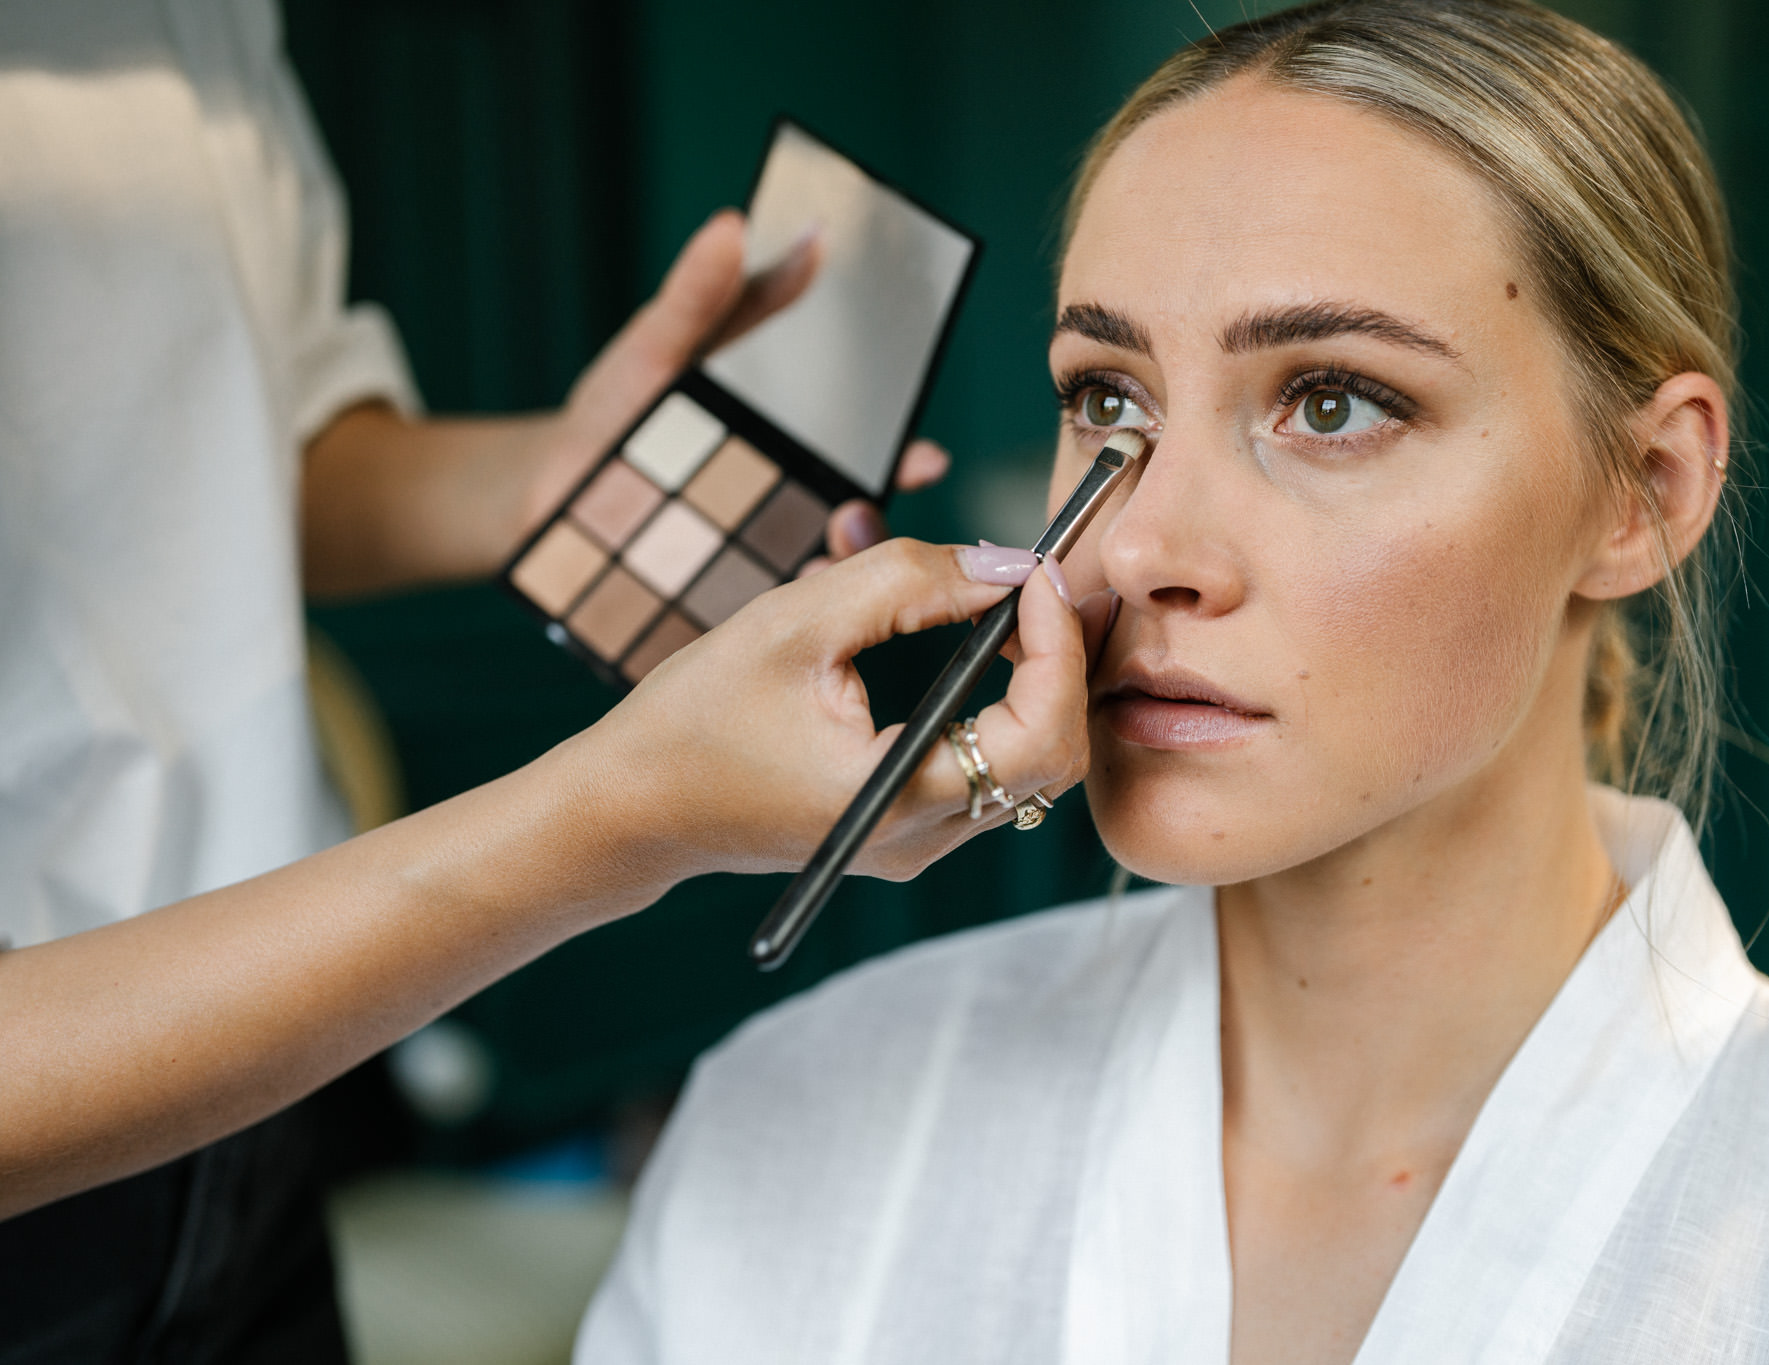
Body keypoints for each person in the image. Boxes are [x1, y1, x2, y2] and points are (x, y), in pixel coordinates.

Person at [575, 2, 1769, 1362]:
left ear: (1645, 492)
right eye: (1109, 398)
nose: (1139, 544)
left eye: (1332, 402)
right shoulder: (796, 1123)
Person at [0, 4, 1093, 1361]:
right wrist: (621, 817)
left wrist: (560, 474)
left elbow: (230, 454)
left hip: (260, 1096)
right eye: (1102, 399)